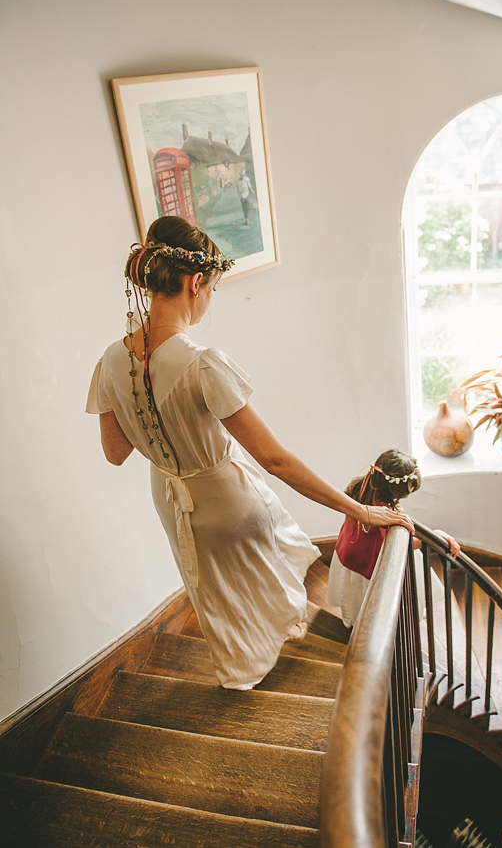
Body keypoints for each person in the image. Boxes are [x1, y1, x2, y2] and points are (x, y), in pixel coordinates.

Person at [86, 216, 414, 691]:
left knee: (214, 592)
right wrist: (361, 509)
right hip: (225, 496)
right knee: (266, 572)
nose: (210, 300)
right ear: (196, 283)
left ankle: (242, 673)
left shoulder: (110, 361)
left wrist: (161, 431)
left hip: (171, 497)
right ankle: (299, 644)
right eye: (213, 290)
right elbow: (275, 460)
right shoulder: (201, 363)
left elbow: (115, 452)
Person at [326, 449, 460, 629]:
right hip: (368, 564)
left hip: (348, 554)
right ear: (398, 489)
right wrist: (434, 536)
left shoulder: (360, 486)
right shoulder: (383, 514)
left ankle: (355, 621)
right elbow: (399, 544)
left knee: (355, 595)